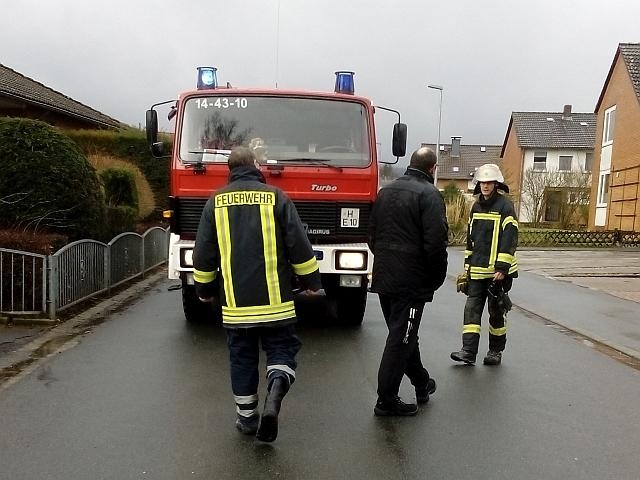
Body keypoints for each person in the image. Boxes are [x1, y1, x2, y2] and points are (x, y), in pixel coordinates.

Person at [193, 146, 321, 442]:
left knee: (242, 358)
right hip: (277, 304)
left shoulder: (215, 202)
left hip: (236, 306)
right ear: (254, 165)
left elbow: (204, 254)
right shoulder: (276, 197)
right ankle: (275, 389)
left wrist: (204, 290)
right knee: (281, 351)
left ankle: (247, 418)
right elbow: (298, 245)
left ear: (230, 169)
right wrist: (312, 282)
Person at [368, 147, 449, 416]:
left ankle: (422, 382)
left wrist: (385, 261)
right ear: (432, 168)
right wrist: (435, 278)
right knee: (400, 339)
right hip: (411, 282)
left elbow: (372, 235)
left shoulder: (385, 192)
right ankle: (386, 400)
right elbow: (436, 244)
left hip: (384, 277)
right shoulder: (430, 195)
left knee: (404, 334)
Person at [450, 163, 518, 366]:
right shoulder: (476, 207)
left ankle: (495, 351)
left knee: (496, 312)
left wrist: (502, 268)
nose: (485, 186)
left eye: (489, 182)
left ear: (496, 184)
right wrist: (467, 266)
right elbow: (471, 239)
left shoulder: (505, 207)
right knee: (471, 310)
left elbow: (509, 237)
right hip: (477, 270)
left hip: (498, 273)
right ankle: (468, 351)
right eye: (482, 182)